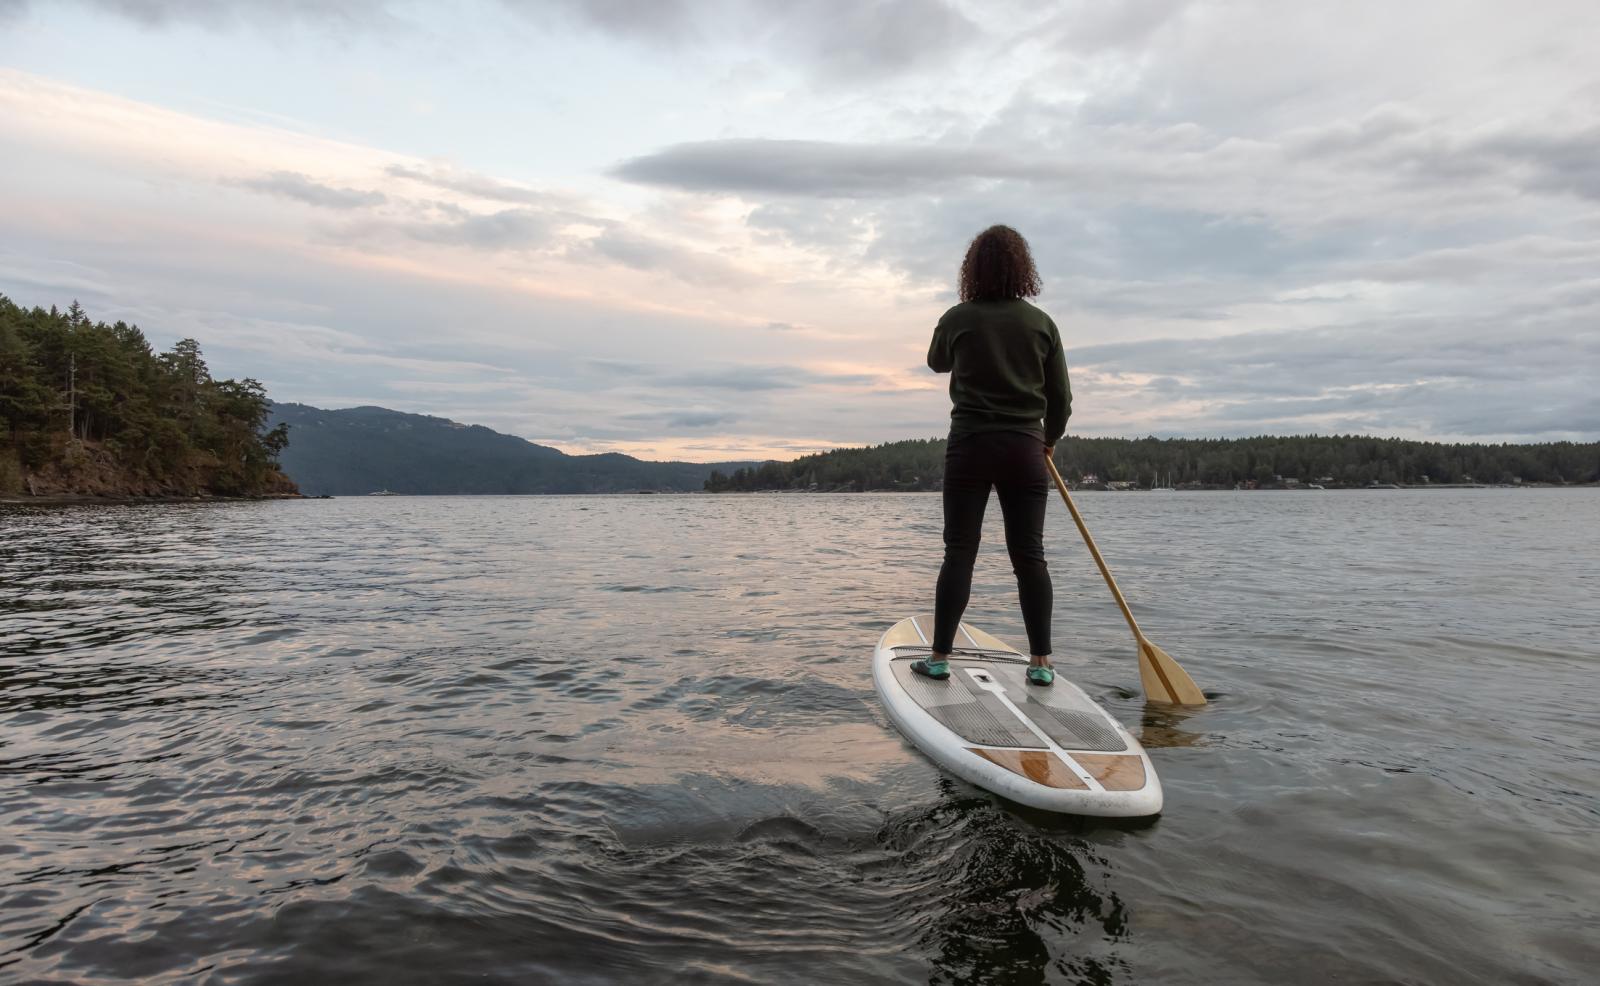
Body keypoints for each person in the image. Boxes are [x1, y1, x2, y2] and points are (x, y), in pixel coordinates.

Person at [912, 225, 1071, 687]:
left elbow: (936, 362)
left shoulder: (958, 317)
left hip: (970, 447)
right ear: (1024, 270)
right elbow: (1061, 398)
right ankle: (1040, 663)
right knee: (1030, 556)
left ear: (972, 270)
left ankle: (940, 657)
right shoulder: (1041, 324)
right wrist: (1050, 438)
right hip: (1025, 448)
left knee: (959, 551)